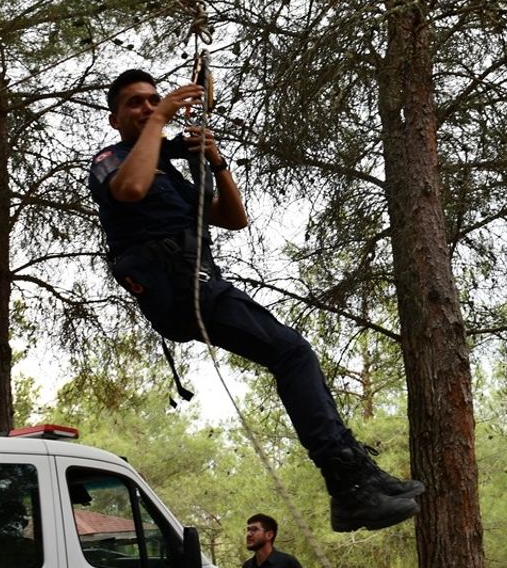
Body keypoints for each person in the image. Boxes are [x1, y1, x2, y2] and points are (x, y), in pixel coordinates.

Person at [88, 69, 423, 532]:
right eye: (135, 104)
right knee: (292, 352)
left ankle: (358, 476)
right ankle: (348, 486)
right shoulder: (112, 160)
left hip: (202, 284)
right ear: (114, 118)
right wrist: (164, 117)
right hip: (179, 289)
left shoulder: (169, 168)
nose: (147, 108)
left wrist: (216, 162)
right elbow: (129, 190)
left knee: (291, 352)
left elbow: (233, 218)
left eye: (152, 100)